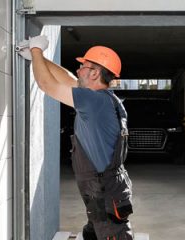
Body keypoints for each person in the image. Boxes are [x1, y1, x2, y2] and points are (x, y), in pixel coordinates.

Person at [17, 35, 134, 240]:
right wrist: (39, 59)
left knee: (112, 234)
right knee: (93, 232)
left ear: (95, 73)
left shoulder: (91, 100)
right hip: (106, 187)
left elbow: (46, 85)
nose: (78, 70)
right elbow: (68, 79)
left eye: (83, 66)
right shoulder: (103, 99)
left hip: (104, 191)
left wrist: (36, 50)